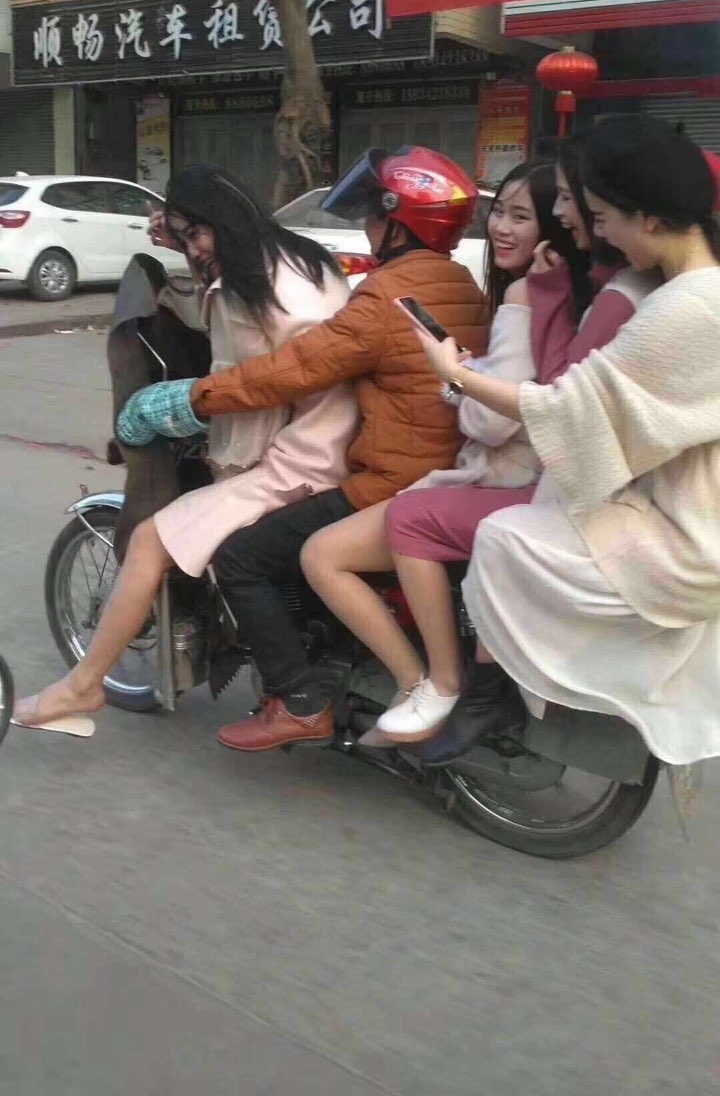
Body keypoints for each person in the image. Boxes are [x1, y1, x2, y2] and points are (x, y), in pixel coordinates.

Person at [95, 146, 489, 750]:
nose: (367, 224)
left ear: (397, 221)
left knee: (243, 558)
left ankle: (302, 700)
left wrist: (191, 399)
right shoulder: (457, 281)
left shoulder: (383, 297)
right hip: (439, 464)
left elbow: (291, 371)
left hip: (384, 476)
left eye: (375, 214)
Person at [418, 116, 720, 767]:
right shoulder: (678, 289)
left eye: (600, 214)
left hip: (687, 536)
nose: (595, 228)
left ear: (648, 216)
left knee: (503, 537)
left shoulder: (685, 305)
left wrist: (454, 375)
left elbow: (563, 407)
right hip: (680, 507)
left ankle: (485, 689)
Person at [14, 163, 360, 727]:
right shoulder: (291, 258)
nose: (194, 249)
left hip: (302, 460)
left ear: (222, 218)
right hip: (314, 445)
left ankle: (81, 688)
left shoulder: (269, 290)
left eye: (196, 234)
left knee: (150, 541)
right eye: (184, 236)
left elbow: (267, 384)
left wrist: (192, 406)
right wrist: (183, 240)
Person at [300, 159, 588, 742]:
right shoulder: (552, 291)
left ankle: (431, 684)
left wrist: (454, 379)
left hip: (508, 482)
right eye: (498, 212)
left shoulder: (524, 295)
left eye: (522, 216)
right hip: (533, 482)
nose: (501, 227)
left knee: (324, 554)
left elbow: (492, 418)